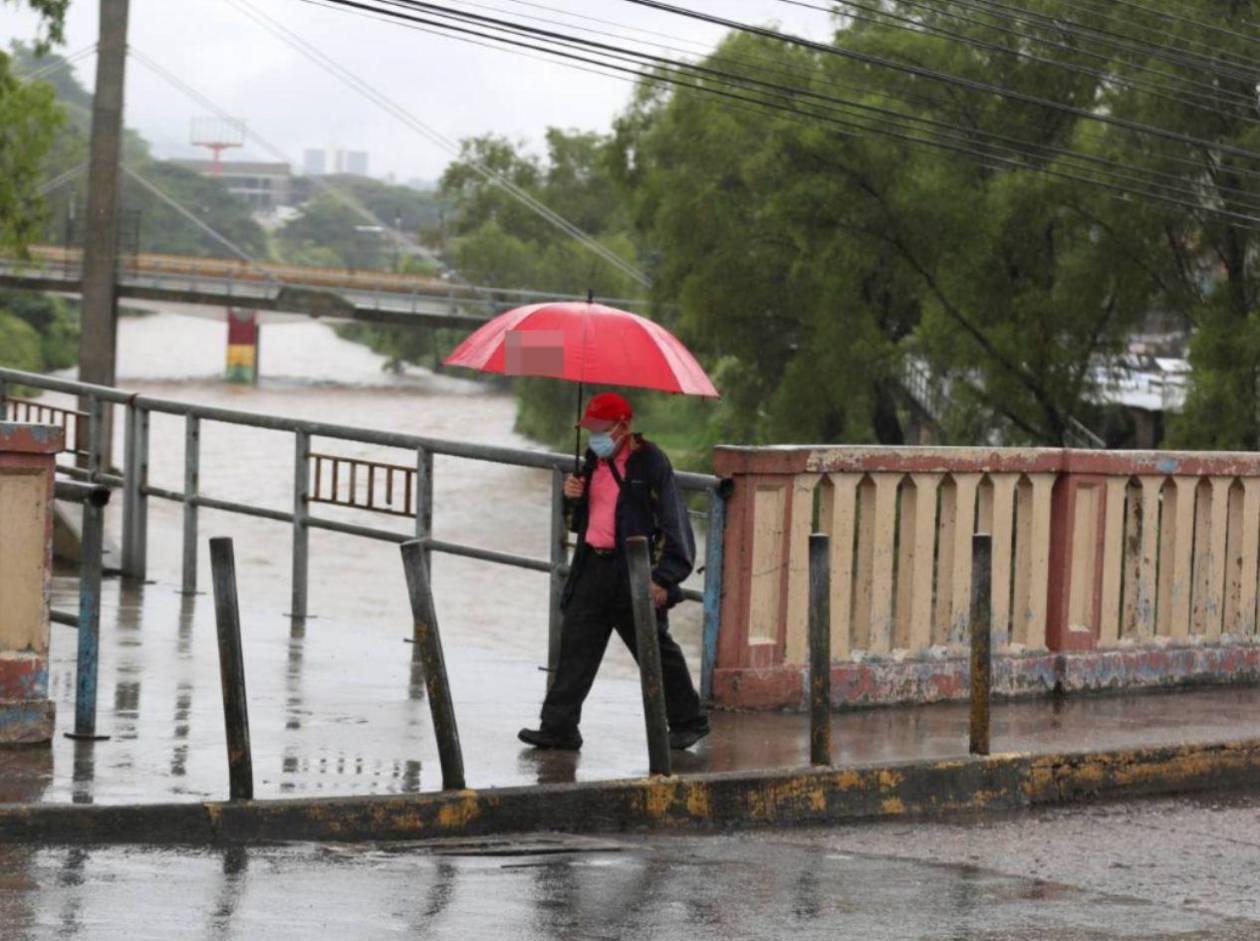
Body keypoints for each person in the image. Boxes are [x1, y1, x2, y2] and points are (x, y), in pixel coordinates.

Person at [518, 391, 711, 752]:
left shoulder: (651, 462)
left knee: (653, 649)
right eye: (590, 429)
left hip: (634, 572)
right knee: (576, 647)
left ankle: (689, 721)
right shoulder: (593, 459)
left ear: (624, 426)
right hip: (592, 566)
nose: (594, 437)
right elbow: (581, 522)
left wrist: (663, 578)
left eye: (600, 428)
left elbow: (675, 525)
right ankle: (559, 728)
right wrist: (571, 496)